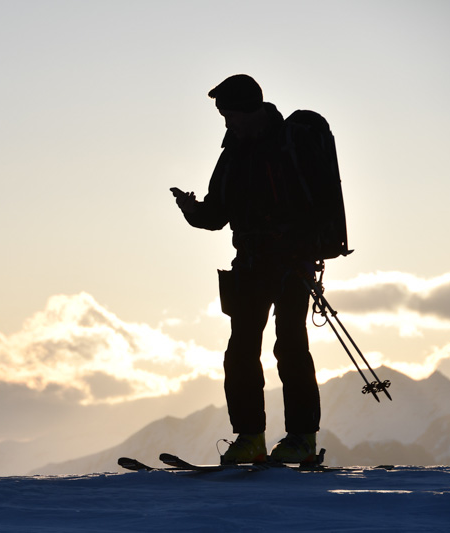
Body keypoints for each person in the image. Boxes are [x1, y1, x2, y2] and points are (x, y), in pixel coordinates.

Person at [172, 74, 323, 464]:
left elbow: (309, 207)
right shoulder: (235, 153)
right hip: (255, 263)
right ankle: (254, 437)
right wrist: (192, 210)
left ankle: (299, 438)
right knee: (243, 350)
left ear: (251, 109)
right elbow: (217, 214)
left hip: (290, 263)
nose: (227, 123)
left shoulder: (289, 145)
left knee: (288, 346)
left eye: (231, 114)